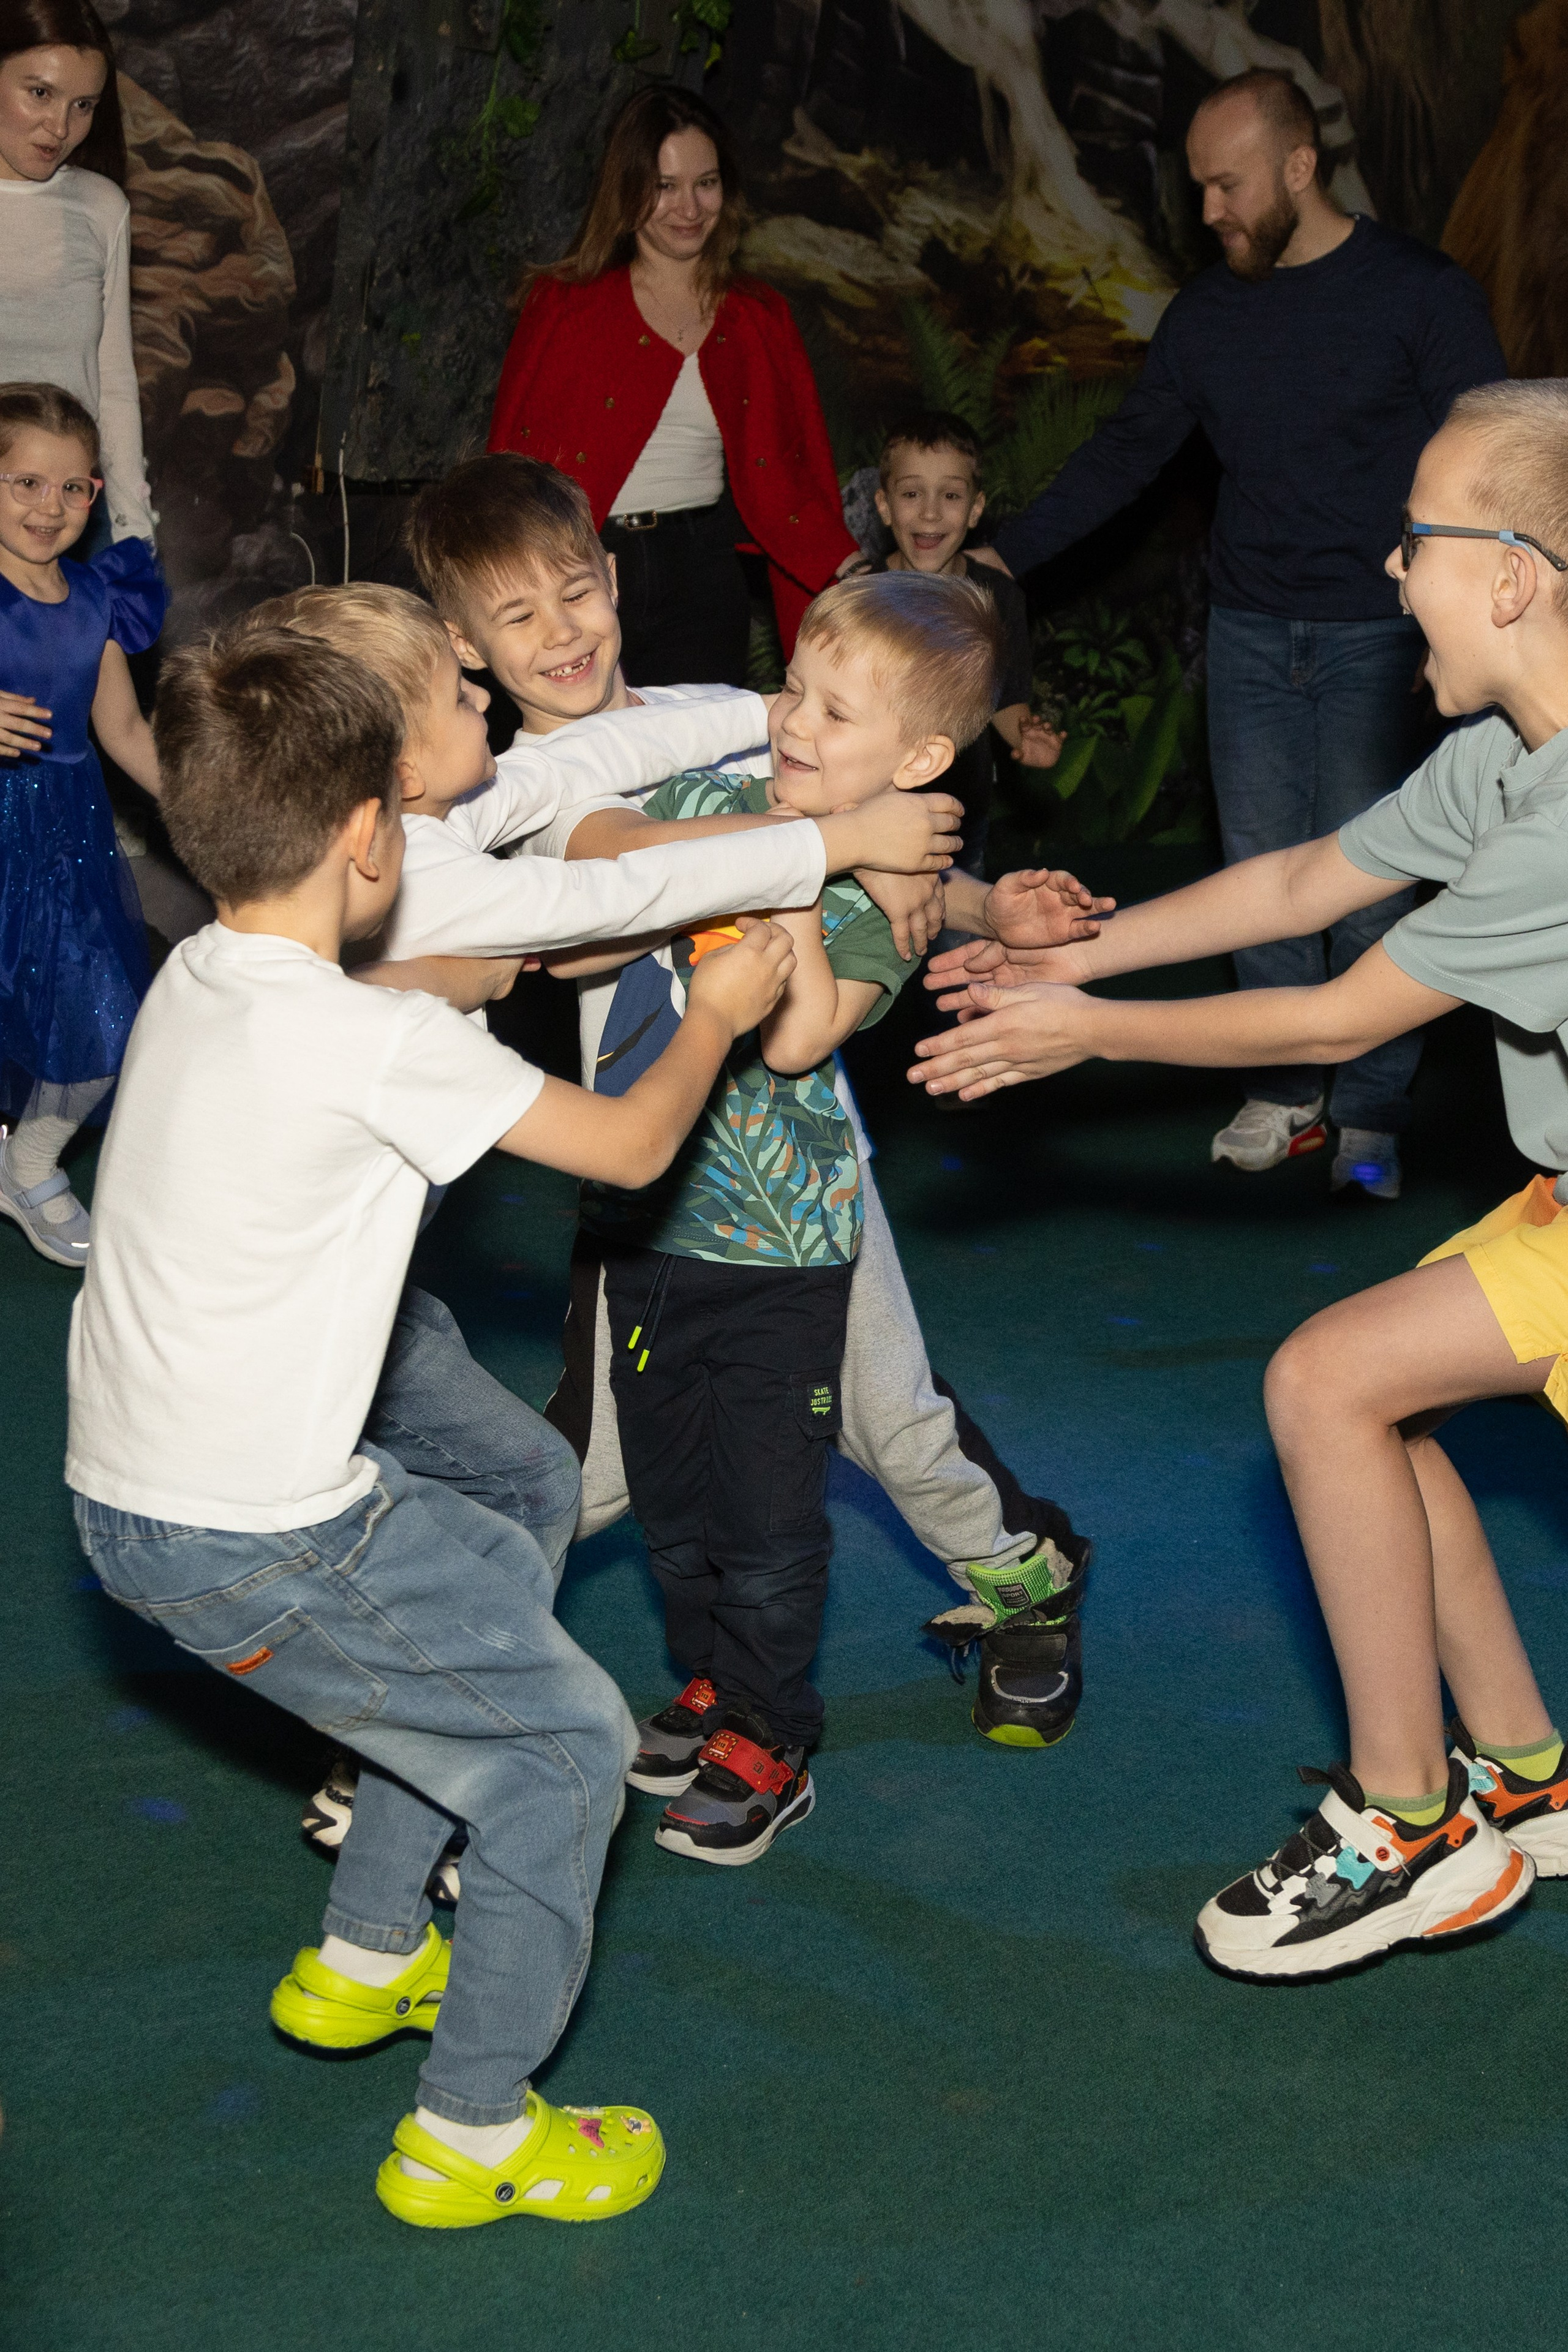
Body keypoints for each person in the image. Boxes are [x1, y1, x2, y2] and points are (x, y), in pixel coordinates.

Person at [67, 622, 800, 2222]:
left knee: (494, 1524)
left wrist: (490, 983)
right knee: (564, 1745)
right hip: (253, 1537)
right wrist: (720, 1014)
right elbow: (619, 1149)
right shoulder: (368, 1035)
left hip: (143, 1500)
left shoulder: (210, 973)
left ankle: (368, 1954)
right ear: (365, 835)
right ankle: (472, 2134)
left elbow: (399, 1021)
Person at [910, 380, 1568, 1980]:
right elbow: (1299, 880)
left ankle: (1410, 1825)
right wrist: (1051, 946)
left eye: (1417, 537)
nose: (1391, 566)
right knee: (1363, 1396)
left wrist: (1087, 1033)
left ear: (1515, 576)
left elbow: (1346, 1010)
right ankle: (1530, 1784)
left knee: (1322, 1380)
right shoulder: (1505, 752)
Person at [401, 454, 1100, 1760]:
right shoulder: (503, 797)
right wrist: (836, 846)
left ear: (612, 580)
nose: (559, 635)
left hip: (798, 1166)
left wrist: (968, 899)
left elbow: (881, 820)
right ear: (465, 649)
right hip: (653, 1172)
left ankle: (1028, 1581)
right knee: (586, 1464)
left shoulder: (740, 713)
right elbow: (617, 860)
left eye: (572, 593)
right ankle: (423, 1703)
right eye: (515, 618)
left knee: (891, 1424)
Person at [978, 66, 1506, 1200]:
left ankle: (1369, 1111)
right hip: (1254, 629)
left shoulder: (1422, 294)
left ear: (1299, 169)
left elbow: (1498, 461)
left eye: (1227, 186)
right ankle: (1283, 1092)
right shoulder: (1210, 314)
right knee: (1263, 868)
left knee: (1370, 882)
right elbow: (1129, 453)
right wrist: (1005, 556)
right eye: (1200, 189)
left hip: (1387, 633)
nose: (1208, 210)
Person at [487, 84, 861, 685]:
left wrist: (849, 566)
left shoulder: (757, 316)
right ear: (627, 190)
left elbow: (795, 474)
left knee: (694, 770)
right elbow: (506, 468)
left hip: (703, 572)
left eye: (705, 183)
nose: (688, 207)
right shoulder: (564, 307)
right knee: (590, 767)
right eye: (664, 186)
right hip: (577, 575)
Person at [0, 380, 162, 1266]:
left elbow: (128, 733)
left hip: (66, 844)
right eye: (25, 483)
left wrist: (218, 814)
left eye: (74, 487)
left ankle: (27, 1162)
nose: (50, 506)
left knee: (102, 1022)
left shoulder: (100, 597)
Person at [872, 407, 1063, 878]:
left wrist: (1026, 736)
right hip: (869, 811)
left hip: (960, 815)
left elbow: (1006, 695)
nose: (931, 512)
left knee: (959, 942)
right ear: (884, 505)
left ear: (976, 509)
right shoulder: (860, 598)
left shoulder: (997, 596)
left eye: (951, 495)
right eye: (912, 493)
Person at [0, 1, 154, 553]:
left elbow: (112, 381)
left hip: (65, 525)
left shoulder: (101, 206)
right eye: (40, 93)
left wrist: (134, 530)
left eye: (83, 105)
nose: (61, 127)